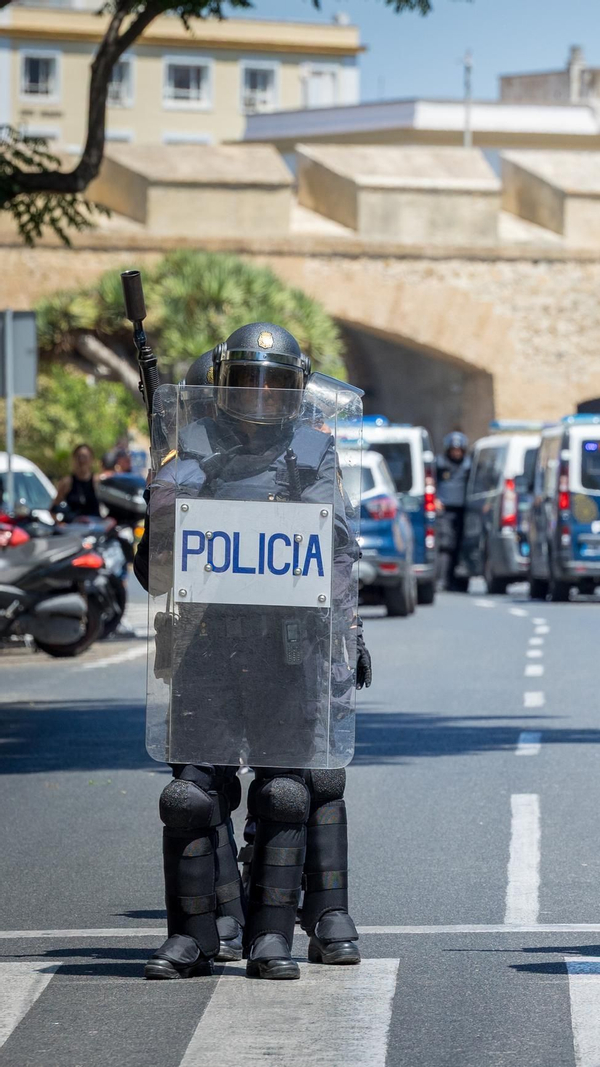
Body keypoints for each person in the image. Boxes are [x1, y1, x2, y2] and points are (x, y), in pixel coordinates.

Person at [135, 322, 372, 980]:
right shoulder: (193, 447)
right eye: (248, 382)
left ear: (297, 392)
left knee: (289, 793)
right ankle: (191, 935)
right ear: (223, 385)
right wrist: (162, 497)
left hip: (284, 647)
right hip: (205, 645)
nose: (262, 397)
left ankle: (273, 935)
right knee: (189, 796)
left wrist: (343, 637)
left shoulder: (312, 450)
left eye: (276, 386)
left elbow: (334, 550)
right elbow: (155, 564)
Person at [435, 431, 472, 592]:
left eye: (459, 450)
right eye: (453, 450)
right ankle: (442, 580)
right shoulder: (440, 464)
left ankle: (459, 581)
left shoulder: (468, 465)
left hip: (465, 511)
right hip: (445, 511)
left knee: (462, 547)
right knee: (445, 546)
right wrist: (435, 499)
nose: (456, 453)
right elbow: (431, 482)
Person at [52, 443, 103, 520]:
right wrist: (59, 524)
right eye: (79, 457)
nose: (82, 461)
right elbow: (53, 508)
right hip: (73, 527)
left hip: (94, 527)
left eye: (85, 457)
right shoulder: (67, 482)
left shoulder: (97, 481)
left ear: (91, 459)